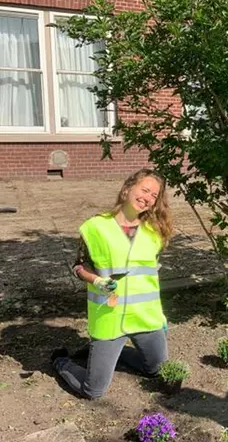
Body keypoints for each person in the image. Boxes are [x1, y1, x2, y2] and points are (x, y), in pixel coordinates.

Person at [51, 168, 174, 399]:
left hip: (146, 316)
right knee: (93, 390)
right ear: (128, 188)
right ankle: (62, 362)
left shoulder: (154, 231)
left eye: (154, 195)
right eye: (144, 190)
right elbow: (79, 266)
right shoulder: (96, 227)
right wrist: (96, 279)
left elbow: (151, 276)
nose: (147, 198)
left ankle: (109, 354)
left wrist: (161, 316)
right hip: (110, 317)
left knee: (157, 370)